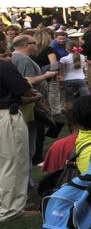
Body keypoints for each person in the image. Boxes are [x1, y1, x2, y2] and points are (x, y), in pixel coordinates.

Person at [12, 34, 58, 165]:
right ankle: (34, 159)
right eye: (34, 43)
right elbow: (28, 80)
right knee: (35, 133)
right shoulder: (22, 59)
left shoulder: (20, 58)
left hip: (33, 102)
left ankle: (33, 158)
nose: (37, 45)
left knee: (37, 131)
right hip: (31, 103)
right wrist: (45, 75)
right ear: (25, 45)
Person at [0, 55, 34, 221]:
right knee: (13, 162)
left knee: (5, 163)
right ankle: (11, 210)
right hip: (6, 115)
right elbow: (25, 89)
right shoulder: (4, 66)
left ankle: (10, 204)